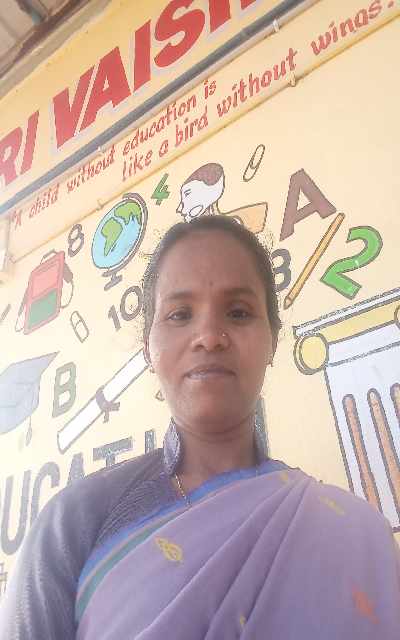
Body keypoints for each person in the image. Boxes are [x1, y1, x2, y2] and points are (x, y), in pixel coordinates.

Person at [1, 216, 399, 639]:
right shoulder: (74, 524)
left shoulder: (356, 533)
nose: (209, 336)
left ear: (272, 341)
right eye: (179, 315)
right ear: (148, 349)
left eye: (239, 312)